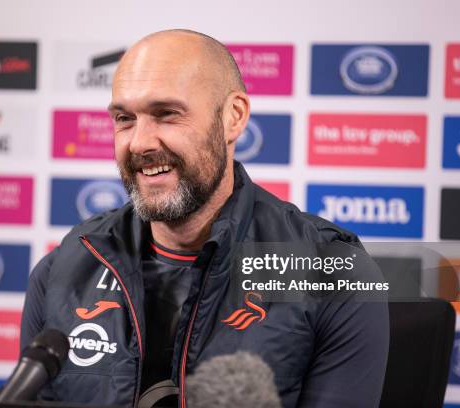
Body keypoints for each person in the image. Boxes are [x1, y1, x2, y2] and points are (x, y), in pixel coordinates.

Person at [20, 29, 389, 408]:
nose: (140, 142)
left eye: (167, 114)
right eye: (124, 118)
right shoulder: (64, 268)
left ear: (233, 117)